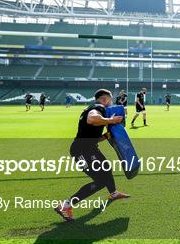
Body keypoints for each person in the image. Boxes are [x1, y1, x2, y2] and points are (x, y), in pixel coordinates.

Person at [55, 89, 130, 222]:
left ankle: (113, 193)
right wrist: (111, 120)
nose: (110, 103)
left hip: (90, 147)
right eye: (110, 100)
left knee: (106, 167)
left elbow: (93, 136)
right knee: (100, 181)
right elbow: (91, 119)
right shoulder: (98, 107)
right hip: (81, 151)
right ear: (105, 99)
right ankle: (65, 205)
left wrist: (106, 136)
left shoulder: (95, 108)